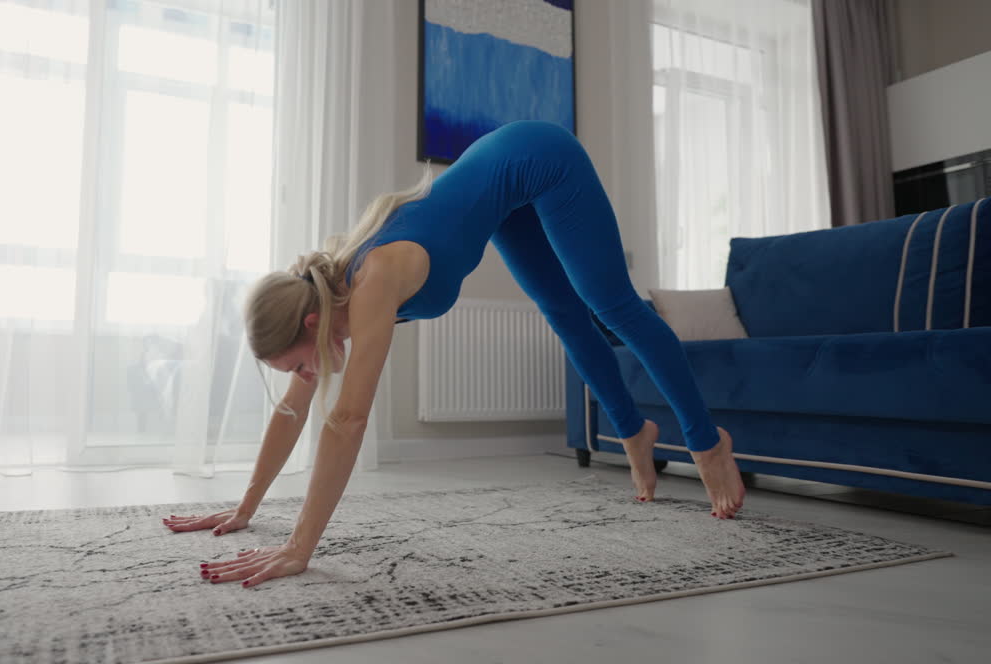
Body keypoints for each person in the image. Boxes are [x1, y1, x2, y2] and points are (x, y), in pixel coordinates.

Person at [162, 120, 746, 589]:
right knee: (564, 314)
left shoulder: (375, 279)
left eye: (296, 366)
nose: (304, 378)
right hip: (503, 187)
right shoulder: (324, 311)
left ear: (310, 326)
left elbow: (347, 421)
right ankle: (632, 431)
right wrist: (244, 507)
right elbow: (294, 412)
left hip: (540, 155)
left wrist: (298, 547)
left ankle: (705, 442)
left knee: (610, 303)